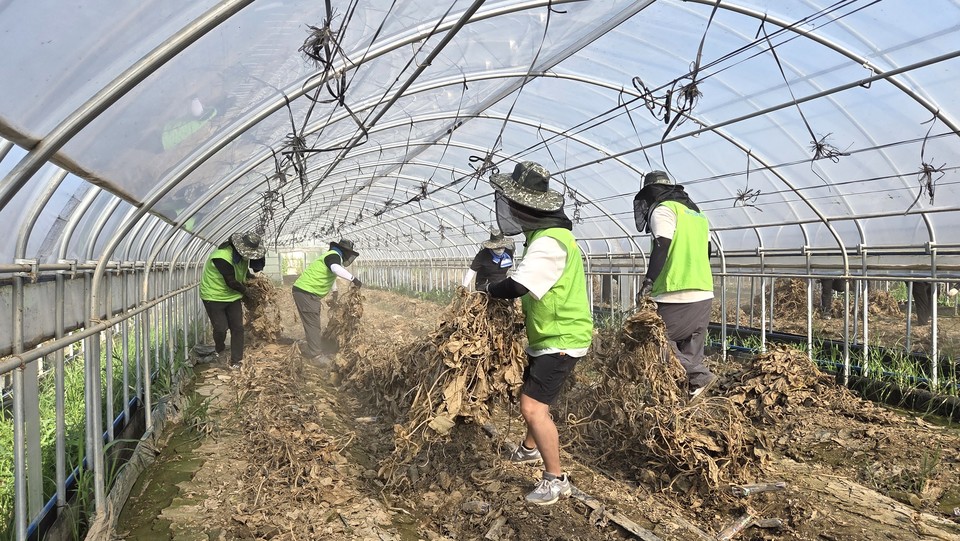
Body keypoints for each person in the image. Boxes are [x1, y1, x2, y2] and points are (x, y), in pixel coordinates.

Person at [483, 161, 593, 506]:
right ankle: (530, 449)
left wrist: (488, 289)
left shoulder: (549, 243)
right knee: (534, 399)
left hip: (561, 338)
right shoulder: (547, 238)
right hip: (550, 335)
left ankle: (555, 479)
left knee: (533, 407)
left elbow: (517, 286)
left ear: (527, 209)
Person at [633, 170, 717, 400]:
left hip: (674, 292)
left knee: (657, 343)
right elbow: (708, 251)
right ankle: (687, 407)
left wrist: (648, 281)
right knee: (691, 354)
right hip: (703, 290)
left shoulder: (664, 210)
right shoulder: (698, 214)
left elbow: (662, 245)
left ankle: (701, 376)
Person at [199, 231, 267, 369]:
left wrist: (254, 280)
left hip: (233, 296)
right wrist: (247, 291)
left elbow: (242, 271)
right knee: (221, 328)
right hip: (214, 296)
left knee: (238, 328)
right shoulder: (221, 257)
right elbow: (231, 281)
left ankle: (237, 360)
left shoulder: (240, 256)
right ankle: (220, 349)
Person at [292, 238, 362, 359]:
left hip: (306, 292)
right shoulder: (334, 256)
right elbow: (335, 268)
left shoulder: (332, 256)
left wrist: (334, 291)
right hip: (306, 292)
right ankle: (315, 356)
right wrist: (353, 279)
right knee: (313, 323)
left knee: (313, 321)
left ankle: (312, 347)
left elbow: (331, 273)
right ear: (346, 252)